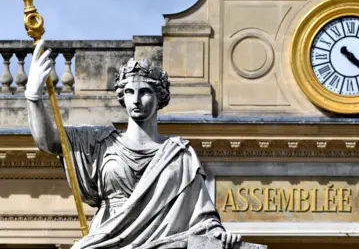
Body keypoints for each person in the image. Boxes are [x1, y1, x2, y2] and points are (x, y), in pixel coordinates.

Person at [26, 40, 241, 249]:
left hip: (164, 241)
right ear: (122, 96)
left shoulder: (180, 155)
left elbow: (202, 217)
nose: (136, 99)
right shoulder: (100, 142)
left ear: (159, 97)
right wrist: (34, 96)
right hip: (107, 240)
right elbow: (50, 141)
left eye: (145, 92)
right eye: (129, 92)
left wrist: (217, 234)